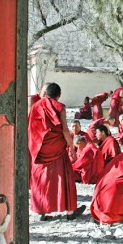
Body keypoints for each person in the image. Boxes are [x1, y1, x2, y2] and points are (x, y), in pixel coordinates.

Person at [28, 82, 86, 221]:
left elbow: (32, 127)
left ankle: (42, 211)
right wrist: (71, 146)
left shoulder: (36, 106)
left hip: (40, 149)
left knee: (42, 179)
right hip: (57, 149)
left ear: (45, 93)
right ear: (59, 95)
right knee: (64, 177)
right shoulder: (60, 107)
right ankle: (71, 212)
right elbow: (65, 129)